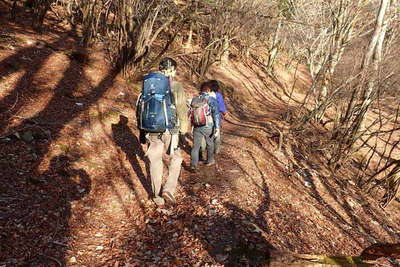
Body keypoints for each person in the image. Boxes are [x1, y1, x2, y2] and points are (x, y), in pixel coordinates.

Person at [137, 57, 189, 206]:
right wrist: (183, 130)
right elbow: (181, 109)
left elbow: (139, 106)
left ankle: (156, 196)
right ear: (172, 70)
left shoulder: (148, 83)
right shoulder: (176, 86)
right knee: (176, 158)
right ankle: (169, 189)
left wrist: (141, 130)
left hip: (150, 129)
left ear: (160, 68)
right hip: (170, 130)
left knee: (155, 161)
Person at [190, 81, 220, 171]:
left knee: (196, 146)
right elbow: (216, 114)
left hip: (196, 125)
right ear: (209, 90)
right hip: (208, 125)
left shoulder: (195, 99)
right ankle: (210, 160)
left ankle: (193, 165)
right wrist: (217, 127)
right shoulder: (211, 99)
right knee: (210, 143)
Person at [199, 80, 227, 158]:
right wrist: (224, 113)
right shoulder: (218, 95)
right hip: (215, 117)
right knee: (216, 134)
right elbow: (222, 108)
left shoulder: (203, 95)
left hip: (203, 118)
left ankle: (202, 149)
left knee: (204, 135)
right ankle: (216, 150)